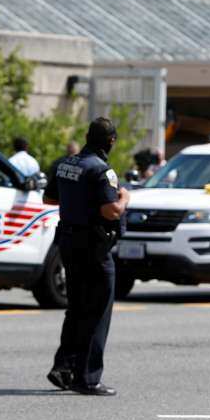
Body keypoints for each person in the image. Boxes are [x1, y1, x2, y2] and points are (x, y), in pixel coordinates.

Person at [43, 117, 129, 396]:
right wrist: (125, 198)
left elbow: (49, 199)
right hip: (94, 247)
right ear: (111, 141)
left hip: (68, 242)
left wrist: (77, 201)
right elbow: (111, 211)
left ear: (86, 136)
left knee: (77, 309)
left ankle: (63, 368)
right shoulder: (102, 170)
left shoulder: (65, 164)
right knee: (98, 312)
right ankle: (88, 377)